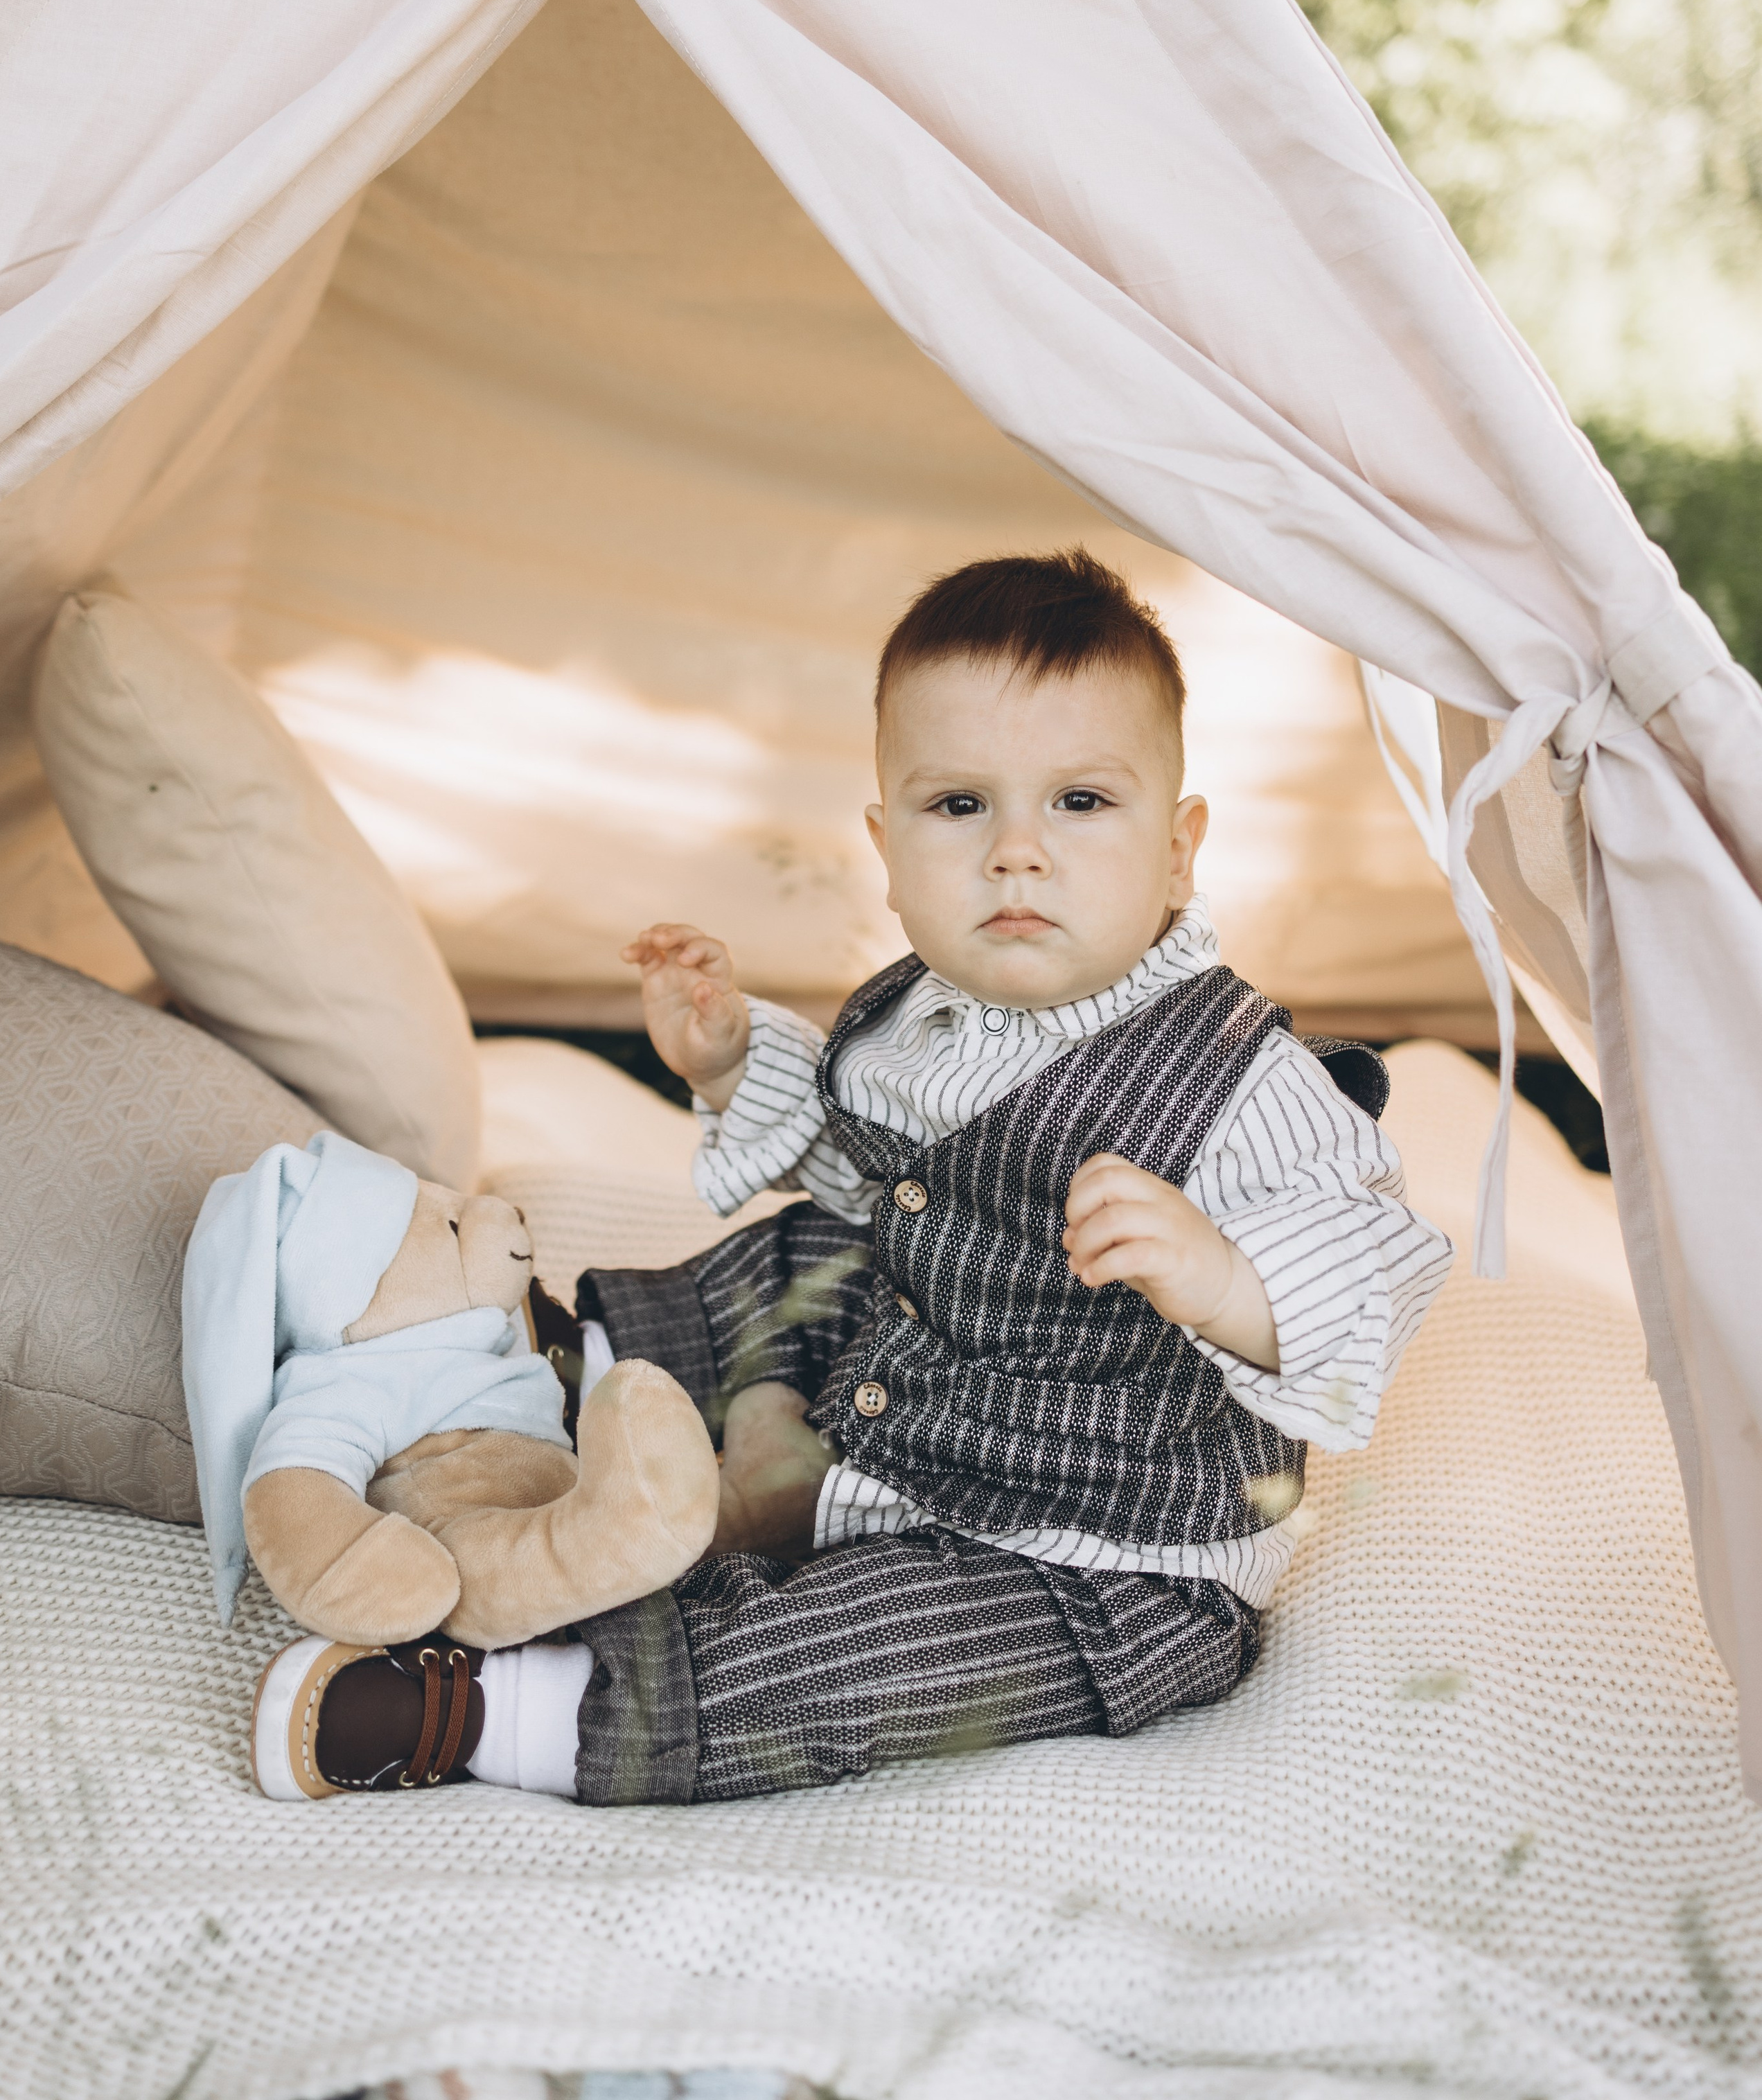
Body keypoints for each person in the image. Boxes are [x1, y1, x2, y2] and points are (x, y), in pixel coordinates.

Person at [254, 549, 1452, 1805]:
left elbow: (1374, 1255)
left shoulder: (1241, 1083)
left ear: (1179, 848)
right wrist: (732, 1061)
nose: (1017, 855)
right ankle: (563, 1371)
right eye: (960, 807)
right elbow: (879, 1172)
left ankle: (506, 1710)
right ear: (885, 844)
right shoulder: (922, 1016)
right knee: (817, 1247)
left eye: (1083, 803)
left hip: (1088, 1543)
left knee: (889, 1646)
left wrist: (1224, 1277)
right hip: (914, 1391)